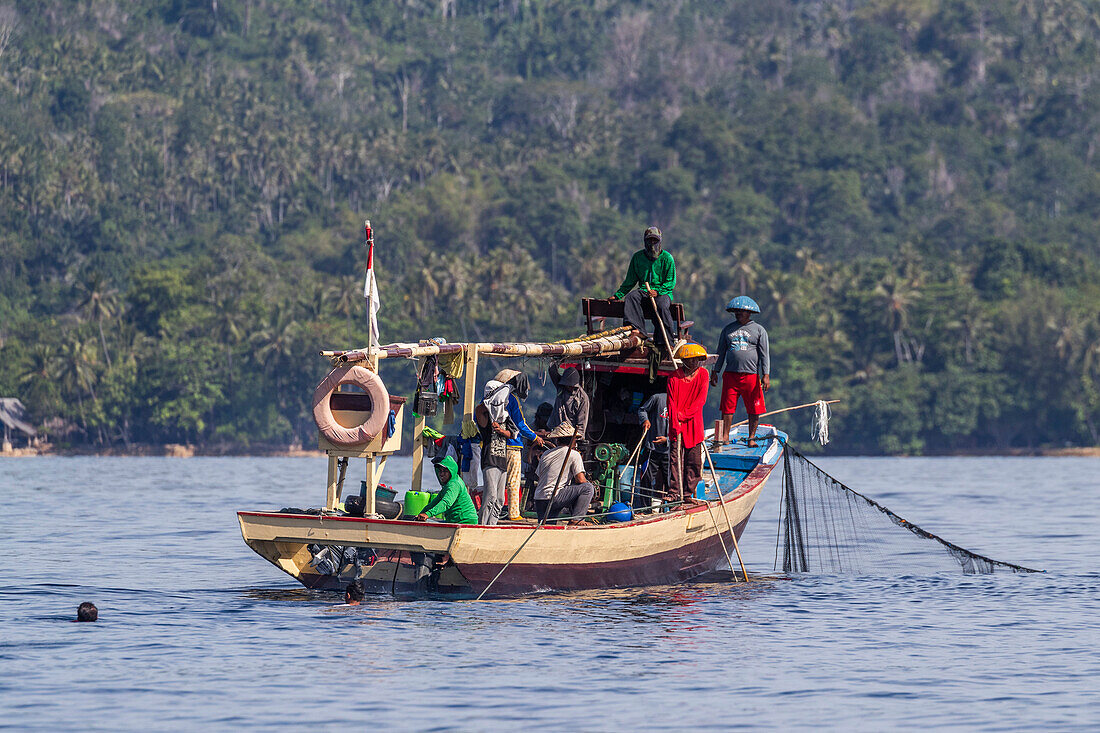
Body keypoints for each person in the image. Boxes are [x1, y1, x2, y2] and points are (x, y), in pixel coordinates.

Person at [710, 296, 770, 447]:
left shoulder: (759, 330)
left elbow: (764, 355)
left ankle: (751, 438)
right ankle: (725, 436)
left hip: (751, 375)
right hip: (731, 374)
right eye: (736, 311)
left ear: (749, 313)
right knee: (727, 407)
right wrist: (715, 371)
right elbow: (721, 352)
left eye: (741, 311)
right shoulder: (728, 330)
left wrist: (766, 375)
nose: (738, 314)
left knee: (754, 407)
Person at [610, 226, 677, 354]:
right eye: (649, 240)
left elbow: (670, 282)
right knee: (631, 297)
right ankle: (638, 330)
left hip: (662, 292)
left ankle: (667, 341)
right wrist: (618, 295)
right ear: (644, 241)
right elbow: (630, 281)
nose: (652, 244)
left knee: (662, 306)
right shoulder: (637, 257)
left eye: (655, 241)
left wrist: (657, 292)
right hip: (644, 291)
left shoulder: (667, 258)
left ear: (660, 242)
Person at [493, 369, 544, 521]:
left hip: (495, 444)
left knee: (497, 479)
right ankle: (514, 513)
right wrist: (535, 437)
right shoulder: (511, 399)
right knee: (513, 479)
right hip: (512, 445)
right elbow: (520, 425)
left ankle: (494, 512)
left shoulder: (490, 398)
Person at [667, 342, 710, 506]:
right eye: (690, 360)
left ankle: (687, 493)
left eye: (696, 360)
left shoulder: (703, 375)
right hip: (676, 423)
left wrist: (683, 415)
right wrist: (675, 421)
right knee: (675, 460)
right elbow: (671, 402)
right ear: (684, 360)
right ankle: (673, 493)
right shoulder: (673, 377)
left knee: (693, 461)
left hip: (694, 423)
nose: (693, 363)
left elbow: (700, 401)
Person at [533, 422, 595, 524]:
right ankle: (577, 519)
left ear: (557, 440)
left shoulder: (545, 453)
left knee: (548, 527)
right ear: (573, 440)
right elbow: (581, 480)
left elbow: (540, 478)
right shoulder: (574, 454)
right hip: (554, 497)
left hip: (539, 499)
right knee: (588, 488)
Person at [474, 384, 514, 525]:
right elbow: (479, 410)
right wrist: (491, 400)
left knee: (500, 499)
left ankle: (492, 525)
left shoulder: (504, 415)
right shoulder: (484, 414)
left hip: (502, 461)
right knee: (490, 496)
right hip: (489, 460)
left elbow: (512, 433)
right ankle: (482, 524)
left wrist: (501, 431)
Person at [415, 455, 479, 524]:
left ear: (451, 472)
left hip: (465, 521)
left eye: (445, 471)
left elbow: (446, 503)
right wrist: (421, 514)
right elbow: (434, 503)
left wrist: (428, 514)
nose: (441, 474)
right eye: (440, 471)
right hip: (454, 521)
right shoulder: (447, 486)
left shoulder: (454, 484)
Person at [636, 391, 669, 509]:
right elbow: (642, 410)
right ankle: (645, 509)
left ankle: (671, 509)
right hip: (652, 449)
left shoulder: (682, 403)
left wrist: (667, 440)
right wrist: (645, 420)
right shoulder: (657, 398)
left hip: (670, 452)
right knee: (646, 480)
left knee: (671, 483)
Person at [548, 363, 590, 440]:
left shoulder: (582, 398)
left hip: (570, 435)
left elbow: (582, 423)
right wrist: (557, 359)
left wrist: (577, 439)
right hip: (556, 430)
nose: (569, 387)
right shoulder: (561, 387)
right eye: (567, 385)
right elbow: (552, 371)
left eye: (571, 386)